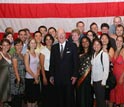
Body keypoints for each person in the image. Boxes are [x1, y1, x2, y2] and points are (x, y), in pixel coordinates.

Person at [49, 28, 78, 107]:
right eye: (59, 34)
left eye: (62, 34)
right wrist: (51, 75)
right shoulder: (54, 47)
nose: (61, 36)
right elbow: (52, 63)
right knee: (59, 99)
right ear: (56, 36)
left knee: (69, 99)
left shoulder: (72, 46)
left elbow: (76, 62)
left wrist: (75, 75)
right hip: (57, 79)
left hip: (69, 78)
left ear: (65, 35)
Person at [91, 38, 109, 107]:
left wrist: (104, 81)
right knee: (97, 100)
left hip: (101, 81)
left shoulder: (103, 54)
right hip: (95, 81)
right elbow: (93, 69)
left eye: (98, 44)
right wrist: (92, 80)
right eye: (94, 44)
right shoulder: (94, 54)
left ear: (101, 45)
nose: (96, 46)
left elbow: (106, 69)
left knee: (101, 101)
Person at [76, 36, 93, 107]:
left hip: (89, 78)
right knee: (80, 96)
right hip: (80, 78)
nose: (85, 43)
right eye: (83, 42)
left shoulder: (93, 53)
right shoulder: (78, 53)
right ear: (81, 44)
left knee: (88, 96)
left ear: (89, 42)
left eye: (86, 41)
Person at [24, 38, 40, 107]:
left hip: (36, 78)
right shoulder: (27, 54)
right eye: (31, 43)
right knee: (30, 99)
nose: (33, 44)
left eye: (34, 43)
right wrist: (35, 77)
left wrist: (37, 75)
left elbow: (39, 66)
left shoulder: (37, 54)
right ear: (29, 44)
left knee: (35, 98)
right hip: (29, 79)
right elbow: (27, 68)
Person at [40, 34, 55, 107]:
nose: (48, 41)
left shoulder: (55, 49)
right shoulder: (43, 51)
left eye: (50, 39)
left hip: (55, 73)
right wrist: (44, 77)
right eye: (47, 39)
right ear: (44, 41)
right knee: (46, 93)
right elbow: (41, 66)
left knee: (54, 93)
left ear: (52, 40)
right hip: (46, 73)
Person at [9, 38, 25, 107]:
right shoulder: (14, 55)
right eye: (17, 45)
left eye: (21, 45)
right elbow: (15, 68)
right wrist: (18, 79)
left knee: (20, 97)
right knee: (16, 97)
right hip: (16, 78)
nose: (19, 47)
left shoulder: (22, 54)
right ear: (14, 46)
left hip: (22, 77)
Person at [110, 36, 124, 107]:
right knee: (113, 97)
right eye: (117, 40)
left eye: (121, 41)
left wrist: (122, 77)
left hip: (121, 78)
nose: (119, 42)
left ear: (123, 42)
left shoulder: (123, 50)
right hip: (114, 78)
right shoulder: (115, 50)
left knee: (122, 99)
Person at [0, 39, 11, 107]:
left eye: (7, 45)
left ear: (9, 46)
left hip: (8, 80)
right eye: (4, 45)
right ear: (1, 46)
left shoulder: (9, 55)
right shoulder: (0, 54)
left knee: (5, 99)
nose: (6, 46)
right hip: (1, 80)